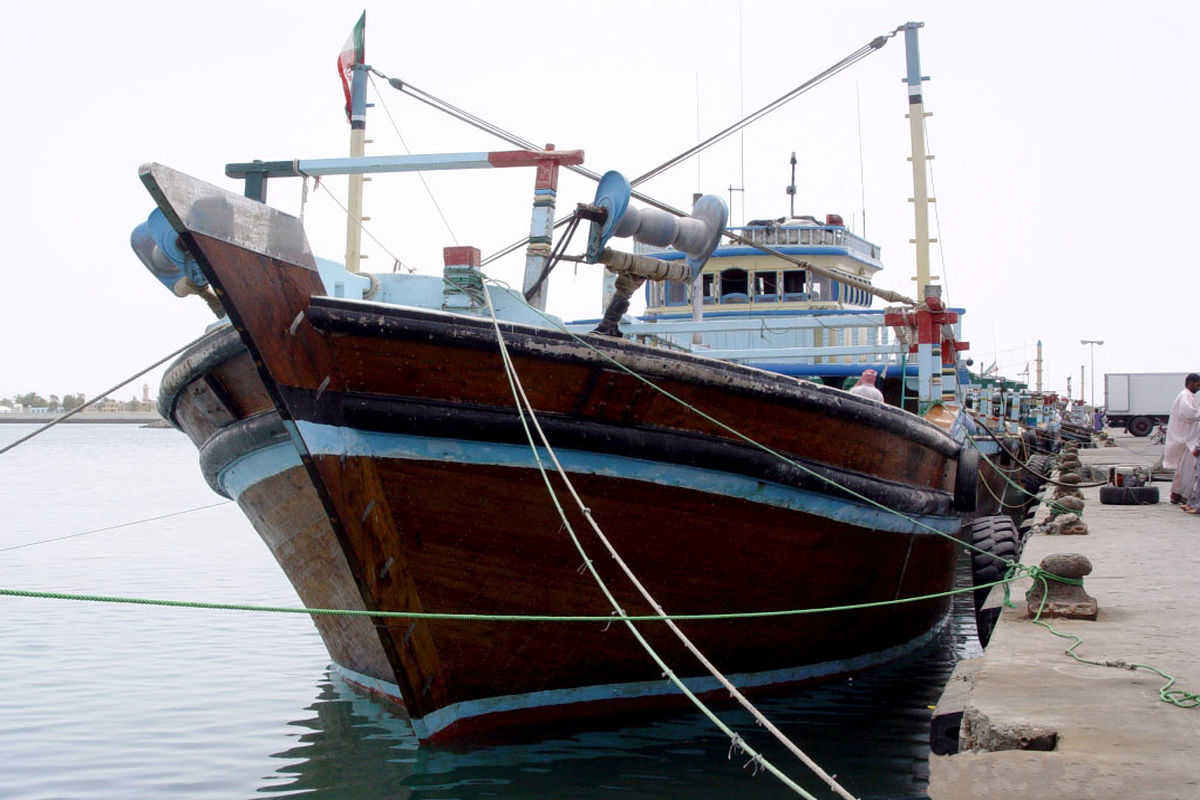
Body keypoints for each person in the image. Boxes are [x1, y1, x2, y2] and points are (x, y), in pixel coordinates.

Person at [1164, 373, 1200, 506]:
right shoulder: (1185, 396)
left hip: (1187, 439)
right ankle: (1185, 496)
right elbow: (1189, 413)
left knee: (1182, 469)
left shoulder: (1188, 396)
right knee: (1189, 470)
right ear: (1191, 383)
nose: (1199, 387)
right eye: (1198, 384)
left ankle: (1177, 494)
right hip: (1187, 440)